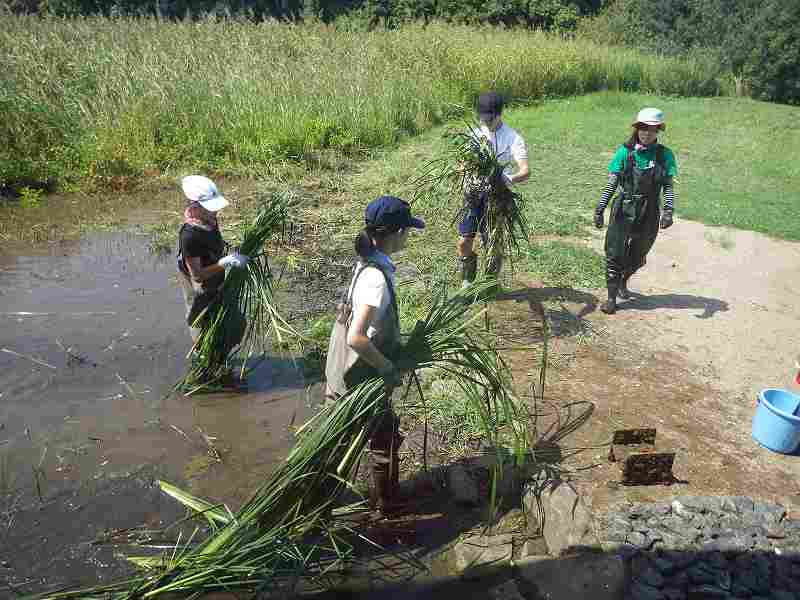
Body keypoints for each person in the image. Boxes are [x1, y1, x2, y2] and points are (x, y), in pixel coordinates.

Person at [325, 195, 425, 513]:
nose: (409, 235)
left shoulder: (367, 261)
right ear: (395, 234)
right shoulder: (375, 280)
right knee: (378, 438)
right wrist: (387, 368)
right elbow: (356, 338)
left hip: (342, 371)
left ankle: (332, 500)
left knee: (355, 438)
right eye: (407, 230)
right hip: (360, 377)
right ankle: (386, 503)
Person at [594, 108, 678, 315]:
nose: (646, 133)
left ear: (658, 130)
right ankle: (611, 298)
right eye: (642, 128)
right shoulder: (624, 152)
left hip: (649, 210)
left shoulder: (664, 155)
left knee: (639, 255)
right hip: (624, 206)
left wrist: (668, 210)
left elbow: (668, 185)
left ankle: (623, 279)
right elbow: (612, 182)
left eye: (651, 129)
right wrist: (600, 207)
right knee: (614, 253)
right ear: (636, 128)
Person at [458, 91, 530, 288]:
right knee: (464, 241)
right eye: (482, 118)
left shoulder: (513, 138)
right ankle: (467, 281)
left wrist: (509, 178)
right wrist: (466, 174)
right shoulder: (475, 134)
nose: (485, 122)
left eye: (489, 118)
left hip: (496, 198)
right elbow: (462, 163)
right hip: (473, 195)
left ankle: (489, 284)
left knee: (493, 245)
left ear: (499, 114)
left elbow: (525, 171)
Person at [176, 175, 249, 346]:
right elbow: (198, 276)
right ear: (196, 205)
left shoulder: (208, 219)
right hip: (199, 281)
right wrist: (225, 262)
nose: (215, 211)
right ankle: (204, 357)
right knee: (201, 324)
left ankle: (221, 351)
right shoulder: (189, 236)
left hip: (214, 273)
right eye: (210, 208)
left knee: (230, 322)